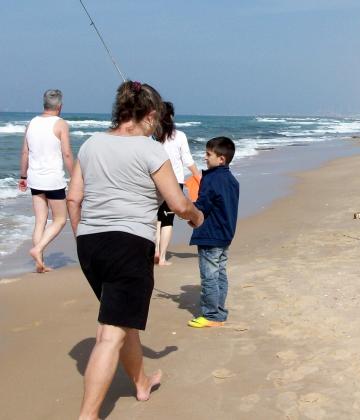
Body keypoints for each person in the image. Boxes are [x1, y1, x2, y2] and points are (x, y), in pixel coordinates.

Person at [66, 80, 204, 420]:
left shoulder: (90, 144)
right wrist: (197, 216)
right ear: (151, 115)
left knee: (121, 318)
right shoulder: (151, 150)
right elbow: (176, 203)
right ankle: (88, 416)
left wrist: (82, 236)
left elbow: (73, 198)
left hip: (90, 244)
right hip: (129, 244)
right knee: (110, 333)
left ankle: (141, 382)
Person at [18, 89, 74, 272]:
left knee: (40, 220)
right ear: (60, 106)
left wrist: (23, 176)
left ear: (44, 104)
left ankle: (39, 263)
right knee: (60, 219)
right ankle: (38, 249)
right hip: (53, 180)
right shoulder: (60, 124)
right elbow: (66, 153)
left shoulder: (32, 123)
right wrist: (74, 176)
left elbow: (25, 152)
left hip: (35, 179)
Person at [188, 137, 239, 328]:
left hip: (211, 234)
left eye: (208, 154)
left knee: (209, 276)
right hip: (225, 233)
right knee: (220, 273)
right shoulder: (232, 181)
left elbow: (203, 206)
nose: (205, 157)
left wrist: (190, 214)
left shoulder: (211, 179)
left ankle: (212, 315)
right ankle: (219, 310)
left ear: (221, 159)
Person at [154, 102, 201, 266]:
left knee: (156, 218)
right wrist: (198, 177)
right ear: (171, 116)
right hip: (174, 183)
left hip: (154, 181)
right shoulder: (179, 136)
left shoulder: (153, 135)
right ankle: (162, 258)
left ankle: (155, 251)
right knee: (167, 219)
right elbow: (187, 160)